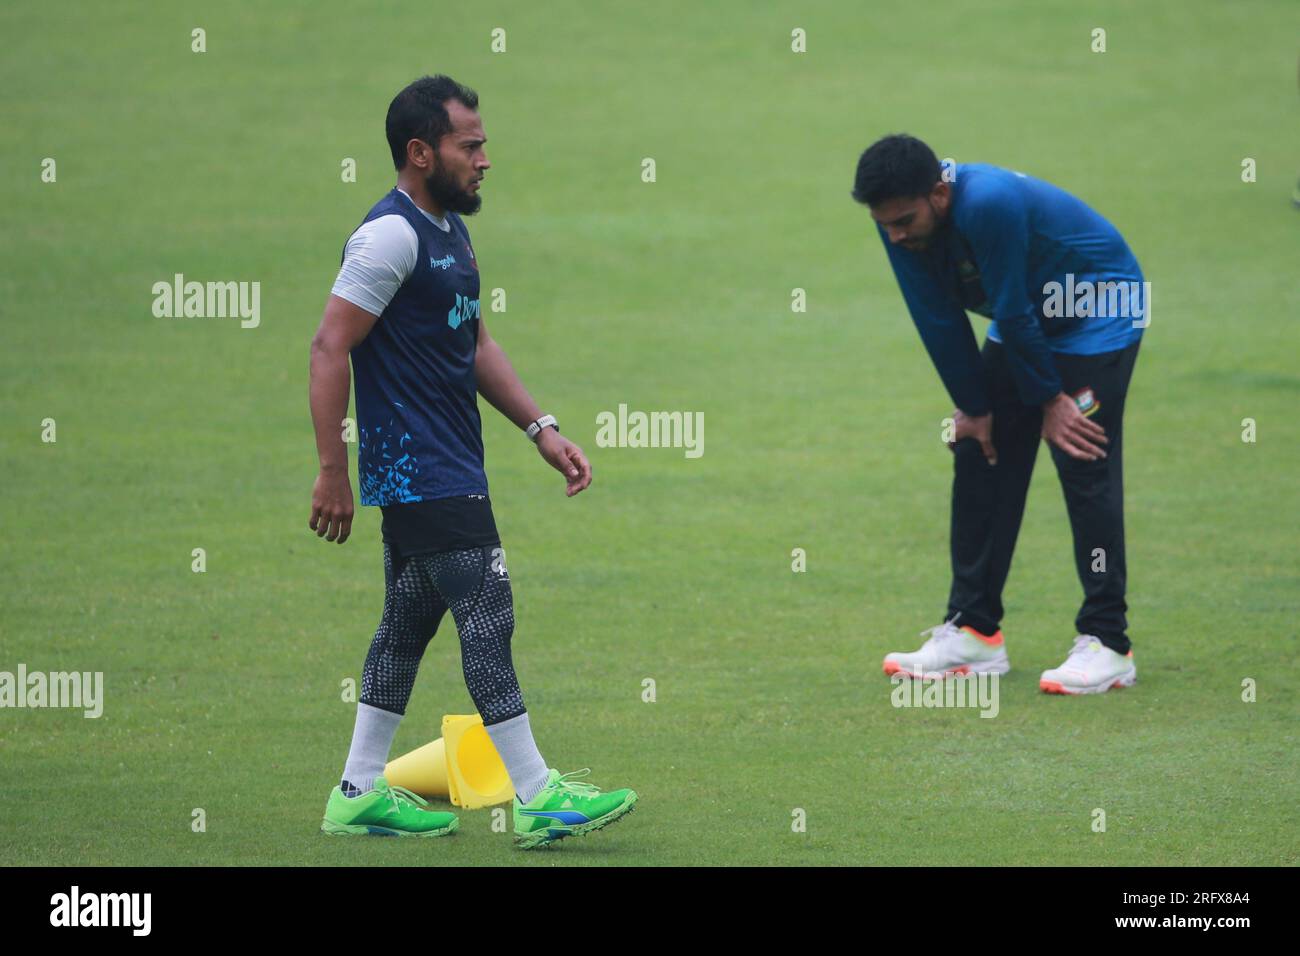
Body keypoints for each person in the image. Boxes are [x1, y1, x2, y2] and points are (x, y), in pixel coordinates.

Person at [308, 75, 636, 846]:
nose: (486, 159)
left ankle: (357, 793)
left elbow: (475, 343)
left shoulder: (450, 231)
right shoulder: (389, 237)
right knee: (488, 611)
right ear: (421, 152)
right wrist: (333, 470)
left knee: (407, 624)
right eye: (471, 145)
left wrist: (541, 429)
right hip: (421, 469)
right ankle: (535, 794)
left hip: (444, 464)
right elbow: (330, 345)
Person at [852, 134, 1146, 695]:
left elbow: (1009, 305)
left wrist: (1050, 401)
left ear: (940, 193)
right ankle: (974, 629)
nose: (894, 234)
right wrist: (974, 406)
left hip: (1097, 306)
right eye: (884, 223)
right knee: (978, 446)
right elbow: (935, 315)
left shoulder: (987, 203)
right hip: (1032, 316)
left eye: (904, 221)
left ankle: (1109, 642)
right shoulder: (899, 214)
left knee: (1080, 452)